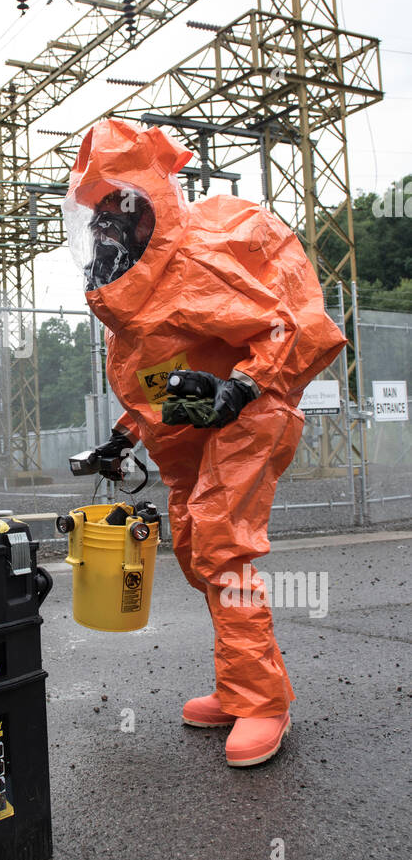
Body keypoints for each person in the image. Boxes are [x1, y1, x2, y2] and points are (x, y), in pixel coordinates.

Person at [64, 118, 347, 767]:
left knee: (221, 548)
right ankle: (238, 687)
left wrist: (243, 389)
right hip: (204, 413)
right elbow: (160, 381)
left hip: (252, 410)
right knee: (196, 551)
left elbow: (279, 328)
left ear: (143, 207)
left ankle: (264, 702)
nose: (104, 224)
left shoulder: (194, 260)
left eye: (115, 208)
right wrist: (124, 436)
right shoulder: (132, 293)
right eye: (97, 213)